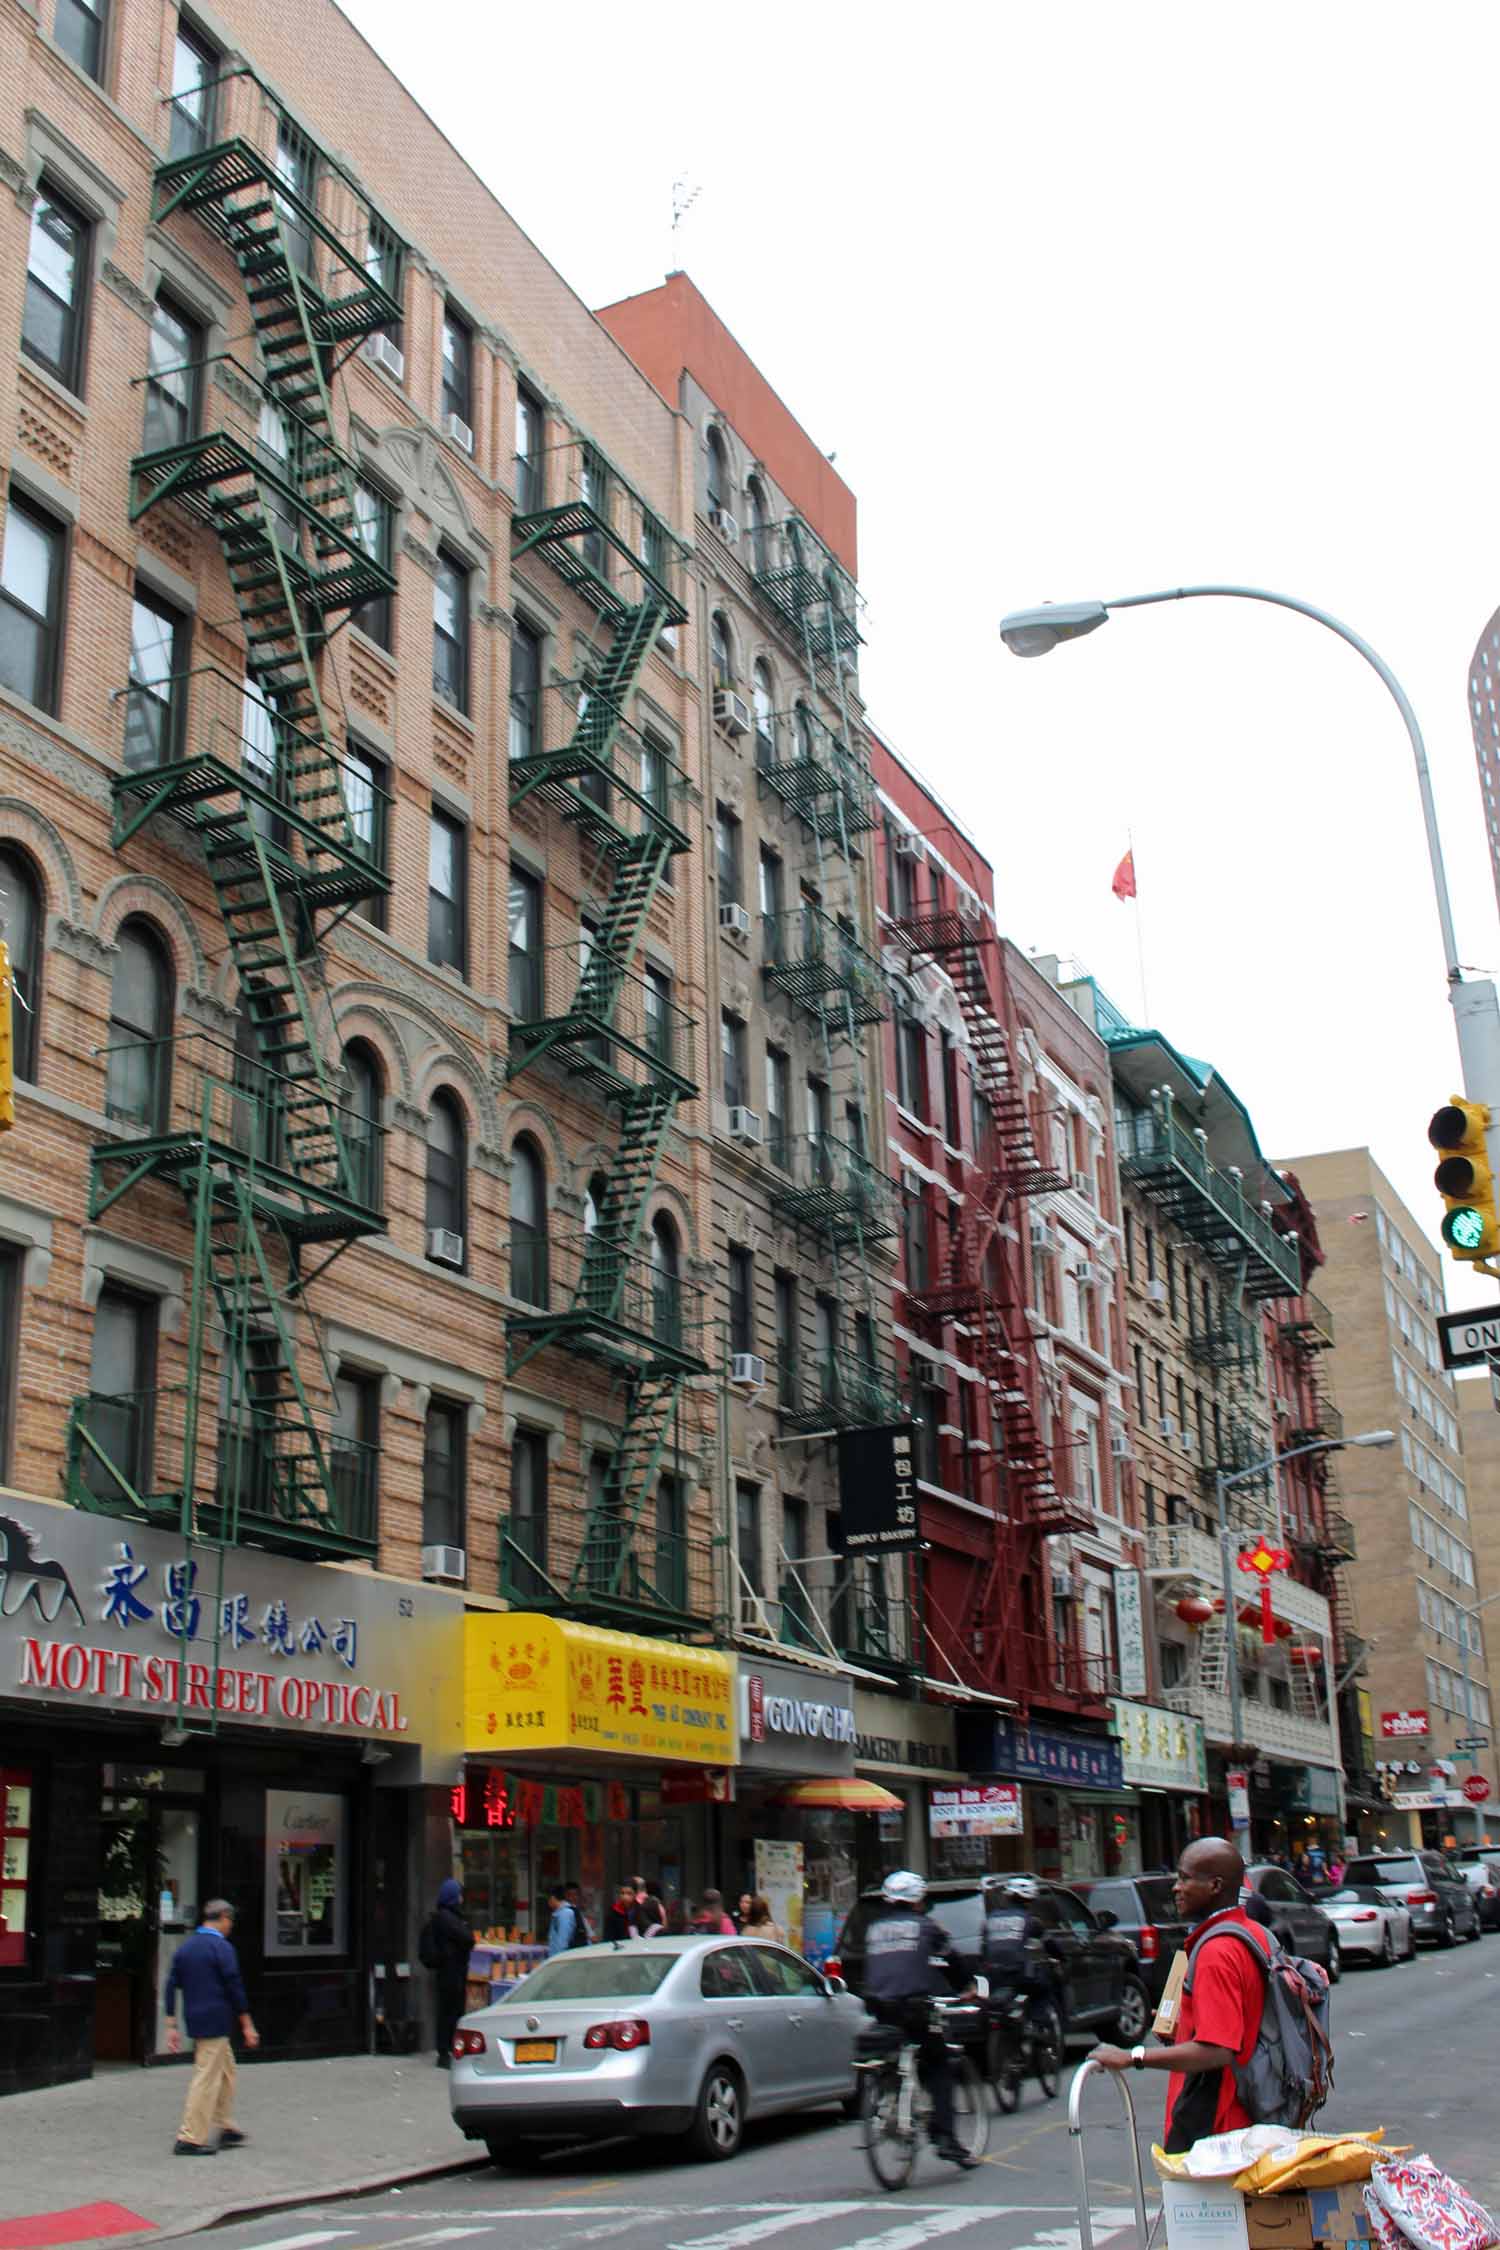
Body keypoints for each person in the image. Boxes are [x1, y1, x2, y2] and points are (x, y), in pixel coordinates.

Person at [1089, 1838, 1270, 2153]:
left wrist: (1132, 2056)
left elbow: (1218, 2050)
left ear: (1215, 1885)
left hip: (1216, 2129)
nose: (1176, 1887)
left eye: (1185, 1878)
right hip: (1246, 2118)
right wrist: (1183, 2027)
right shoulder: (1252, 1933)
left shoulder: (1217, 1951)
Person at [862, 1869, 978, 2169]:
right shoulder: (927, 1927)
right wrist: (967, 1987)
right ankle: (945, 2138)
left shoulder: (873, 1928)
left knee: (894, 2046)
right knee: (939, 2064)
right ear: (918, 1899)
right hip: (914, 2007)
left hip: (879, 2005)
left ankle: (892, 2092)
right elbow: (952, 1961)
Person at [162, 1899, 259, 2154]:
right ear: (224, 1917)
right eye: (231, 1921)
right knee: (205, 2079)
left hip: (196, 2019)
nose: (231, 1926)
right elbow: (234, 1987)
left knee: (227, 2071)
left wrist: (171, 2024)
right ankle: (189, 2138)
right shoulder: (221, 1948)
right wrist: (247, 2024)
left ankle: (225, 2126)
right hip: (215, 2021)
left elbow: (171, 1986)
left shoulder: (186, 1949)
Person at [982, 1874, 1066, 2036]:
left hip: (992, 1975)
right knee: (1044, 1988)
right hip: (1018, 1972)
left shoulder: (990, 1919)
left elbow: (984, 1949)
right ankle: (1036, 2024)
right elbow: (1050, 1944)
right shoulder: (1030, 1920)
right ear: (1029, 1900)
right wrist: (1062, 1958)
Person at [421, 1877, 473, 2069]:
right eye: (458, 1895)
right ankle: (446, 2052)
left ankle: (448, 2051)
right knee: (450, 2012)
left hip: (449, 1971)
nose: (461, 1899)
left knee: (448, 2012)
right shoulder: (447, 1918)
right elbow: (467, 1939)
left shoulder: (444, 1917)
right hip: (451, 1972)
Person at [545, 1884, 578, 1955]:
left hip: (560, 1958)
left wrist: (557, 1960)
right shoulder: (558, 1913)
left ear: (552, 1898)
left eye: (548, 1899)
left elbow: (563, 1942)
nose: (547, 1903)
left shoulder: (565, 1913)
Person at [565, 1881, 593, 1945]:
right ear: (565, 1896)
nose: (573, 1897)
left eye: (575, 1894)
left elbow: (593, 1937)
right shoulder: (567, 1912)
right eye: (570, 1895)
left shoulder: (578, 1912)